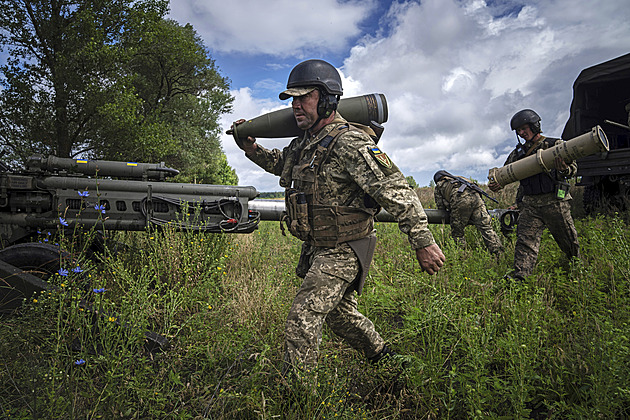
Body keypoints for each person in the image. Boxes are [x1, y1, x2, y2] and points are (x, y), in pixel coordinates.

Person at [230, 59, 445, 375]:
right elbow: (282, 163)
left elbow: (396, 190)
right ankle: (388, 360)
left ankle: (301, 399)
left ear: (328, 98)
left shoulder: (350, 141)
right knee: (341, 317)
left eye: (305, 97)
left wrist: (422, 241)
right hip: (319, 247)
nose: (297, 106)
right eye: (293, 99)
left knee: (302, 318)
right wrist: (251, 148)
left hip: (346, 247)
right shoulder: (305, 143)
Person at [489, 109, 579, 280]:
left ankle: (576, 269)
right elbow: (505, 173)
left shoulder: (555, 145)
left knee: (568, 240)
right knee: (525, 242)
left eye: (524, 129)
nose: (522, 133)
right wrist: (497, 183)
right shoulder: (518, 154)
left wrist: (565, 169)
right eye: (519, 131)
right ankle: (519, 278)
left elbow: (573, 169)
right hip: (530, 204)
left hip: (555, 201)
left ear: (535, 126)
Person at [433, 170, 504, 255]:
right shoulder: (460, 178)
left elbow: (440, 207)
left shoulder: (440, 184)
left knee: (458, 233)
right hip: (477, 198)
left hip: (461, 201)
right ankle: (499, 254)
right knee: (486, 228)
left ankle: (462, 257)